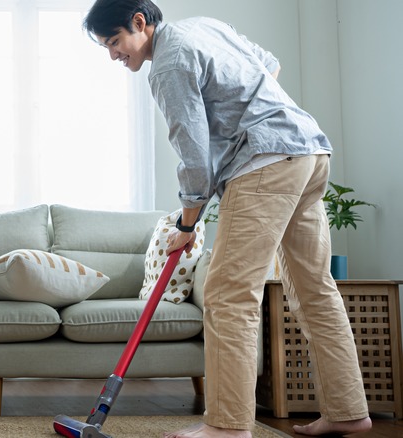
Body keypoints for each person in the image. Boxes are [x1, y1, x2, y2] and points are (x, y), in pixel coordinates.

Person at [83, 1, 371, 437]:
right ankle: (349, 410)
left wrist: (187, 224)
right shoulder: (207, 26)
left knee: (227, 295)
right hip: (308, 152)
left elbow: (194, 155)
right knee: (314, 289)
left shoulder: (168, 64)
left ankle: (227, 425)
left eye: (115, 41)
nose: (113, 55)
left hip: (265, 164)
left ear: (139, 22)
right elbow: (268, 64)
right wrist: (249, 115)